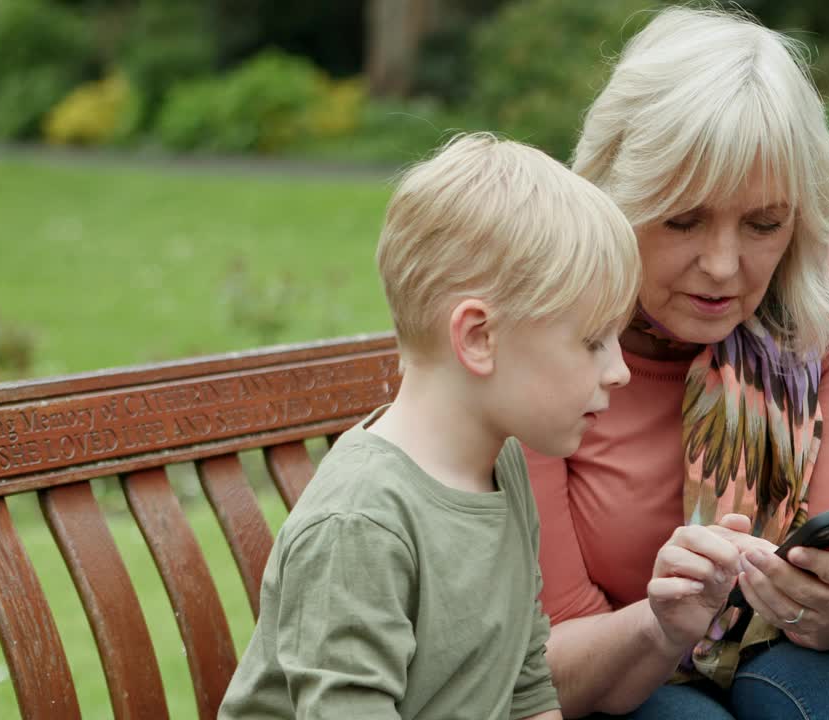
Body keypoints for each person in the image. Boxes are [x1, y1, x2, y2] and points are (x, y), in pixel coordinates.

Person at [523, 7, 829, 718]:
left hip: (791, 652)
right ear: (613, 195)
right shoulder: (539, 306)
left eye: (763, 224)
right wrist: (661, 623)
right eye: (683, 219)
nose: (722, 267)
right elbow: (542, 663)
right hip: (605, 671)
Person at [218, 133, 641, 720]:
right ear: (477, 338)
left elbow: (525, 687)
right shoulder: (361, 522)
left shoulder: (501, 465)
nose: (619, 370)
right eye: (593, 341)